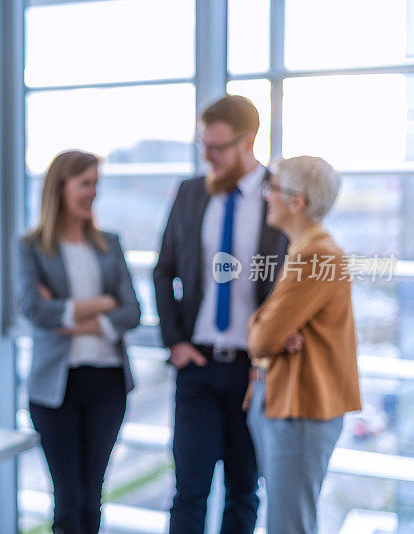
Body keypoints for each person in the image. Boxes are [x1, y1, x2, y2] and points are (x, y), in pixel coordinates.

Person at [153, 95, 288, 533]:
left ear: (248, 141)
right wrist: (175, 342)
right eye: (203, 146)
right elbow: (164, 270)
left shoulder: (280, 197)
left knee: (245, 490)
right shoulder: (192, 192)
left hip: (254, 371)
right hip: (198, 365)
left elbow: (294, 281)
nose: (207, 156)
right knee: (188, 491)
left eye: (217, 147)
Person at [15, 150, 141, 534]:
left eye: (95, 184)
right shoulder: (32, 247)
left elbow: (132, 312)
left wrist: (70, 316)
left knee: (92, 497)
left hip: (107, 384)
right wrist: (103, 306)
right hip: (56, 390)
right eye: (85, 183)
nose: (93, 192)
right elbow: (35, 311)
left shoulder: (109, 243)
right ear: (61, 187)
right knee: (67, 502)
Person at [246, 155, 361, 533]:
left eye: (273, 188)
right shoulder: (305, 250)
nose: (266, 196)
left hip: (301, 409)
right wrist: (270, 330)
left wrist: (265, 330)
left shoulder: (315, 257)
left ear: (297, 201)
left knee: (288, 525)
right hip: (290, 405)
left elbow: (261, 340)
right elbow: (269, 334)